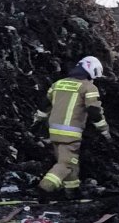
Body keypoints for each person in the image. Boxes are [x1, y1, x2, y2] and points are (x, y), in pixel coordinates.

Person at [35, 56, 110, 198]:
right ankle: (45, 188)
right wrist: (104, 130)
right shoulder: (88, 87)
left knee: (70, 162)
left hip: (54, 131)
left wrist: (37, 122)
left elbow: (44, 106)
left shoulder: (58, 84)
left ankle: (72, 191)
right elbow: (94, 111)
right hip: (71, 133)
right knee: (67, 164)